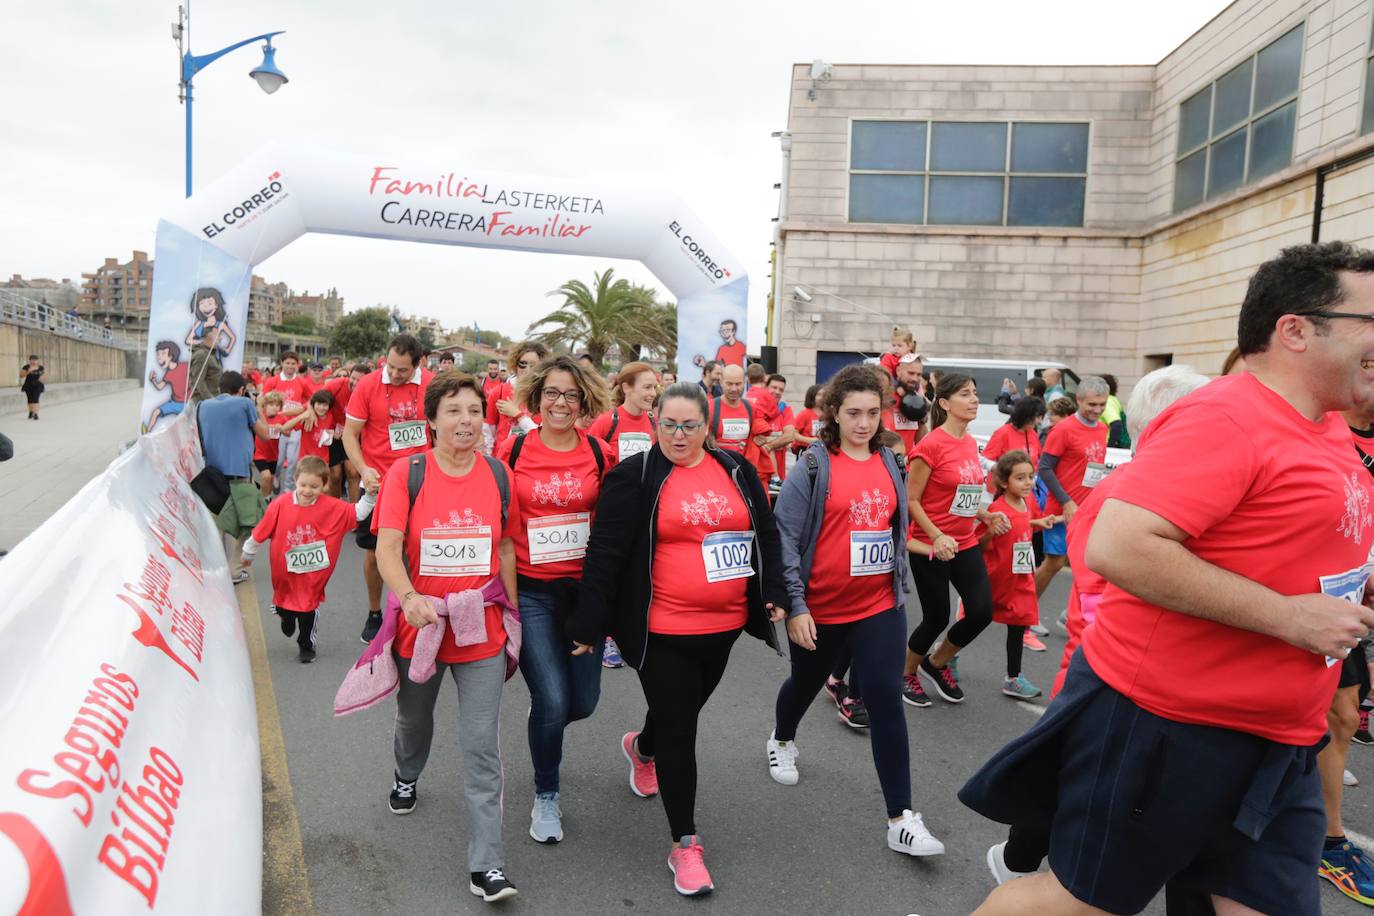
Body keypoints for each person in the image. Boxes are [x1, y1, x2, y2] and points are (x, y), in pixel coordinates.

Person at [962, 241, 1374, 915]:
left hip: (1282, 740)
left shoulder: (1327, 426)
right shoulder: (1227, 418)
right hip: (1171, 727)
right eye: (1371, 322)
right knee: (1072, 903)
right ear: (1296, 329)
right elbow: (1121, 547)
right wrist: (1291, 617)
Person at [569, 381, 787, 897]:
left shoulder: (736, 469)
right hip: (661, 628)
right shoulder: (635, 476)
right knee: (681, 727)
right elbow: (606, 555)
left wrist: (774, 589)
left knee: (677, 715)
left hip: (724, 627)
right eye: (669, 425)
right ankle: (685, 843)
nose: (679, 435)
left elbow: (767, 533)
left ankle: (642, 747)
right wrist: (589, 623)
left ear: (707, 427)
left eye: (690, 425)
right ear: (655, 423)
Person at [767, 365, 944, 858]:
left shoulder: (890, 459)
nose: (864, 423)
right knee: (803, 684)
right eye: (853, 414)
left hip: (879, 606)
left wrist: (903, 579)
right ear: (833, 413)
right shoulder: (814, 465)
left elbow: (894, 526)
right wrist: (796, 605)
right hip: (822, 607)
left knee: (884, 700)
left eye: (872, 413)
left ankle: (901, 819)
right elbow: (783, 536)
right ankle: (782, 737)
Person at [373, 371, 521, 903]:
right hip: (423, 627)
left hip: (481, 628)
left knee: (483, 746)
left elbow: (505, 549)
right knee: (415, 719)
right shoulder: (406, 474)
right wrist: (409, 597)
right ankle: (406, 772)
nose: (466, 421)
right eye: (454, 411)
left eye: (475, 411)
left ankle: (488, 865)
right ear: (432, 420)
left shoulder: (500, 475)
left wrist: (515, 616)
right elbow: (388, 545)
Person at [493, 355, 613, 844]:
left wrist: (603, 603)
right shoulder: (513, 449)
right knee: (554, 697)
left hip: (583, 596)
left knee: (581, 703)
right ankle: (547, 795)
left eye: (570, 395)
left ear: (583, 400)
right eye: (551, 393)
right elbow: (497, 524)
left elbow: (611, 533)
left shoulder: (602, 454)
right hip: (533, 592)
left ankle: (544, 715)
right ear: (536, 398)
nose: (560, 403)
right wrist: (506, 598)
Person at [902, 374, 1009, 707]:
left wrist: (984, 515)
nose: (975, 399)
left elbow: (961, 494)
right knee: (936, 617)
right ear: (945, 403)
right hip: (930, 545)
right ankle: (906, 675)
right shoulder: (930, 445)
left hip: (965, 541)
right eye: (966, 394)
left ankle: (936, 663)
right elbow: (912, 500)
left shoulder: (968, 442)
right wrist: (936, 536)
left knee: (981, 612)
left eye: (976, 393)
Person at [241, 456, 378, 662]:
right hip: (284, 573)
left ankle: (306, 643)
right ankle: (285, 616)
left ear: (324, 485)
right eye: (303, 485)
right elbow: (261, 531)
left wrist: (369, 496)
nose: (307, 491)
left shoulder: (332, 506)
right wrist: (248, 553)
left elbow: (357, 513)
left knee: (308, 609)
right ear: (295, 480)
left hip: (313, 575)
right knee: (285, 605)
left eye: (314, 486)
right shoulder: (280, 505)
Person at [343, 334, 431, 644]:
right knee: (375, 554)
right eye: (391, 366)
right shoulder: (368, 385)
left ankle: (421, 613)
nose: (394, 374)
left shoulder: (432, 385)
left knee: (421, 552)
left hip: (422, 482)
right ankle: (375, 612)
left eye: (402, 370)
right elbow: (350, 435)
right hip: (379, 483)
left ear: (418, 365)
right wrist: (364, 468)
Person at [978, 451, 1058, 700]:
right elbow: (979, 544)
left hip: (1020, 577)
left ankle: (1013, 677)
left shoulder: (1026, 503)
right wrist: (991, 531)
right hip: (997, 577)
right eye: (1020, 478)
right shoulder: (996, 509)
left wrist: (1038, 523)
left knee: (1019, 622)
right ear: (1004, 482)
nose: (1028, 483)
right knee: (974, 621)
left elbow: (1022, 521)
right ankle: (946, 654)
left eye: (1031, 477)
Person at [1033, 377, 1109, 607]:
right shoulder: (1063, 429)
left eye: (1102, 405)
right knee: (1055, 563)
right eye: (1092, 405)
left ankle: (1075, 615)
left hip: (1088, 509)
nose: (1097, 410)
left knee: (1088, 565)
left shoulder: (1102, 428)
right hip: (1060, 508)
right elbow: (1044, 468)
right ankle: (1025, 612)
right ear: (1078, 400)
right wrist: (1066, 502)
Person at [199, 371, 273, 582]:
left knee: (218, 524)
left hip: (211, 475)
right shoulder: (244, 404)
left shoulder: (202, 406)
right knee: (251, 521)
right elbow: (265, 435)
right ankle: (233, 569)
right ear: (241, 390)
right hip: (239, 475)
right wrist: (258, 405)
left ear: (220, 388)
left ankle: (215, 569)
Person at [260, 352, 318, 493]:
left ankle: (288, 489)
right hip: (277, 428)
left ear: (297, 365)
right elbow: (262, 401)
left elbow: (312, 399)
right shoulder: (273, 381)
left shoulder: (301, 381)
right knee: (279, 461)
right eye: (287, 363)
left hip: (295, 427)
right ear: (282, 363)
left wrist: (306, 408)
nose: (290, 366)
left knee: (292, 461)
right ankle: (277, 476)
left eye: (293, 363)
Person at [586, 361, 658, 463]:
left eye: (654, 387)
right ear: (626, 388)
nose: (653, 393)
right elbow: (588, 460)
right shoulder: (606, 422)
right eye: (647, 387)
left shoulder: (655, 422)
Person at [709, 365, 771, 481]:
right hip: (718, 471)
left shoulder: (750, 407)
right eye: (729, 384)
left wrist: (758, 437)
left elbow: (759, 431)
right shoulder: (711, 407)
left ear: (745, 382)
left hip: (743, 471)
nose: (733, 389)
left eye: (738, 384)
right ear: (721, 382)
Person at [485, 342, 547, 451]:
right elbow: (488, 432)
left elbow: (544, 438)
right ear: (515, 365)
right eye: (523, 364)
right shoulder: (499, 392)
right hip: (503, 460)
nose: (527, 370)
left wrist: (518, 415)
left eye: (533, 365)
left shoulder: (547, 395)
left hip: (533, 458)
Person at [323, 364, 367, 499]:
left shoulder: (367, 390)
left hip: (354, 435)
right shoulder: (336, 385)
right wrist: (311, 413)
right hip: (334, 435)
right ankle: (335, 508)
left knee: (353, 473)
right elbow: (317, 399)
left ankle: (354, 512)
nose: (355, 382)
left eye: (360, 380)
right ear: (349, 376)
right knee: (335, 475)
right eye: (353, 378)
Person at [885, 354, 929, 455]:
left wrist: (922, 418)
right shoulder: (887, 398)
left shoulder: (918, 398)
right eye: (911, 373)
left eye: (919, 375)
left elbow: (921, 441)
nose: (915, 378)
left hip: (907, 465)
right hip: (887, 462)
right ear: (898, 371)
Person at [283, 390, 336, 467]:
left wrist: (335, 434)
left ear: (329, 406)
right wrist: (302, 416)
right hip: (305, 459)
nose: (321, 408)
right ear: (313, 404)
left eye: (325, 405)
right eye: (318, 404)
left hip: (323, 460)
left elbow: (334, 430)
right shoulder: (307, 417)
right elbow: (285, 427)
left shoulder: (331, 416)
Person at [145, 341, 189, 431]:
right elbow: (160, 387)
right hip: (174, 403)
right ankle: (146, 433)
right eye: (158, 354)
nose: (159, 357)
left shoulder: (186, 366)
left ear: (171, 355)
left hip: (187, 403)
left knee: (186, 424)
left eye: (163, 353)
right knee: (156, 412)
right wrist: (153, 380)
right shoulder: (168, 374)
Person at [185, 287, 236, 358]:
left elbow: (233, 337)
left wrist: (228, 349)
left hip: (211, 356)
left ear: (216, 305)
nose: (206, 307)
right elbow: (188, 340)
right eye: (202, 303)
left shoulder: (220, 324)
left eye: (210, 303)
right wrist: (202, 341)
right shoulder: (199, 323)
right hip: (198, 355)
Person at [253, 392, 287, 498]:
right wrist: (259, 406)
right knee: (266, 476)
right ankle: (262, 501)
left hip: (273, 455)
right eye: (271, 405)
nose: (275, 408)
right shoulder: (258, 416)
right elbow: (263, 428)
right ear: (265, 405)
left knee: (270, 480)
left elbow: (288, 432)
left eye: (277, 405)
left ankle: (267, 498)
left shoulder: (281, 418)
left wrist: (282, 428)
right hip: (259, 453)